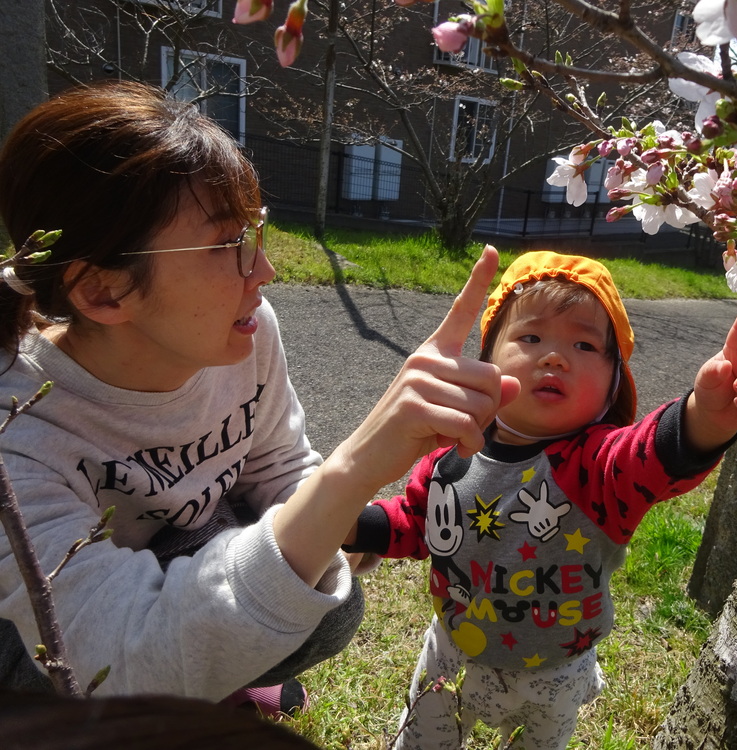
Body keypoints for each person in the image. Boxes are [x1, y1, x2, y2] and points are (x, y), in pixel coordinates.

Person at [0, 81, 515, 718]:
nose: (265, 271)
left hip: (174, 553)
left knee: (326, 598)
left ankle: (217, 679)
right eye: (226, 245)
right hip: (36, 638)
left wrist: (345, 518)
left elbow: (276, 464)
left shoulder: (244, 335)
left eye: (256, 232)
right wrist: (351, 471)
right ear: (103, 292)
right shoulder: (17, 430)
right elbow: (109, 664)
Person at [344, 251, 737, 749]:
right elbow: (414, 522)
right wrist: (352, 524)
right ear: (487, 363)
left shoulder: (597, 467)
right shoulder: (451, 454)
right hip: (451, 651)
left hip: (554, 672)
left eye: (584, 344)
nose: (554, 357)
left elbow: (650, 456)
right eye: (531, 338)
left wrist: (703, 418)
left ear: (612, 386)